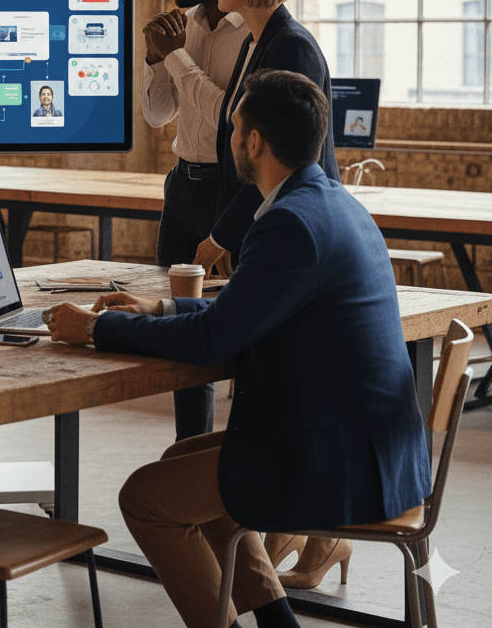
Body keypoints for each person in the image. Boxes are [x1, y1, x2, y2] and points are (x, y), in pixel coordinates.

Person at [45, 70, 431, 628]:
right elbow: (243, 313)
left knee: (144, 500)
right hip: (370, 449)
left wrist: (93, 330)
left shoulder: (291, 224)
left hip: (338, 463)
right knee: (184, 461)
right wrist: (155, 310)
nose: (229, 142)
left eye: (233, 129)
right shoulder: (331, 205)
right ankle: (278, 624)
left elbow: (212, 340)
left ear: (254, 142)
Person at [141, 0, 240, 440]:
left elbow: (228, 113)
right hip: (183, 185)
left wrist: (175, 56)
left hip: (230, 191)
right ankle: (190, 449)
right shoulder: (184, 27)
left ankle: (243, 453)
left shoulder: (249, 34)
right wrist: (157, 58)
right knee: (181, 322)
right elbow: (158, 115)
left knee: (236, 324)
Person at [193, 0, 339, 276]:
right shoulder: (254, 42)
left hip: (292, 230)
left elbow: (281, 162)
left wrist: (220, 237)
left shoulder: (292, 46)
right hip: (261, 227)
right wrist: (228, 232)